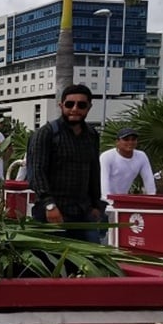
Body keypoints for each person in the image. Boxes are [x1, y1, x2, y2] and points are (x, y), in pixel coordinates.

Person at [27, 84, 106, 243]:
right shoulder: (47, 133)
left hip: (83, 211)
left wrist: (96, 204)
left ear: (89, 107)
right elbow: (36, 172)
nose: (75, 108)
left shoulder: (91, 135)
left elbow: (93, 171)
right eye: (70, 104)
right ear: (61, 105)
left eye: (81, 105)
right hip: (54, 212)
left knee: (91, 260)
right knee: (54, 263)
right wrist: (49, 205)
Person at [100, 127, 156, 202]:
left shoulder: (141, 156)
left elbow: (148, 180)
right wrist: (108, 202)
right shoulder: (106, 156)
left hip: (121, 200)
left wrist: (152, 200)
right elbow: (103, 182)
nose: (130, 142)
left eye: (133, 139)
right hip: (101, 200)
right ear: (117, 142)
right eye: (126, 139)